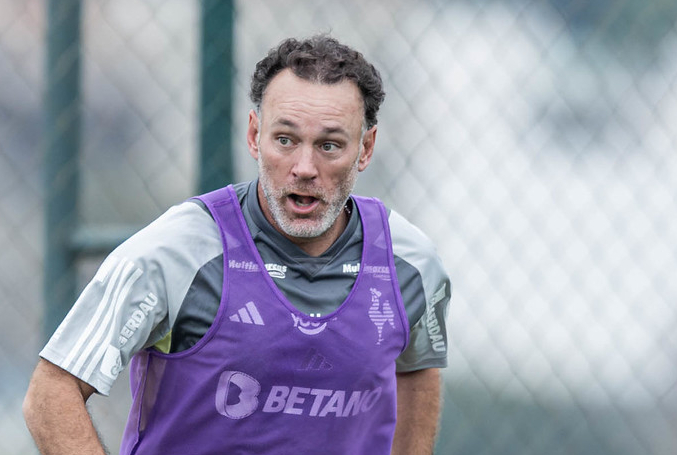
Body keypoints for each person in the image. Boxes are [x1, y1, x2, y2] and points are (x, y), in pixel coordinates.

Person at [23, 34, 451, 455]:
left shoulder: (409, 263)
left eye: (329, 145)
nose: (304, 167)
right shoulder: (176, 251)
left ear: (365, 148)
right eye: (285, 139)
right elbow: (51, 392)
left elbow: (418, 371)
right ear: (253, 135)